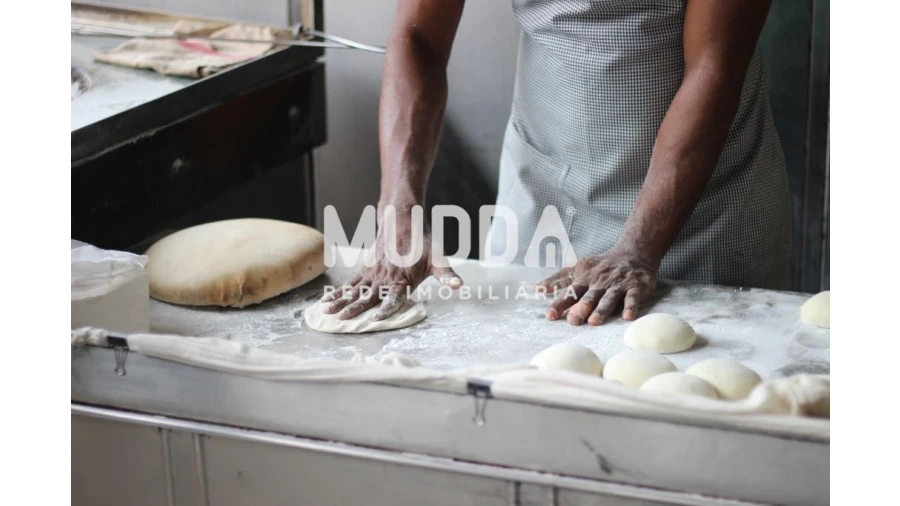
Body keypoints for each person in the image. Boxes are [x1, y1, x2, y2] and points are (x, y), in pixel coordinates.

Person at [320, 0, 791, 326]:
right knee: (522, 382)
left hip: (699, 206)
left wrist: (638, 245)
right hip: (543, 185)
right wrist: (398, 205)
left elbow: (715, 64)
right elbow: (419, 37)